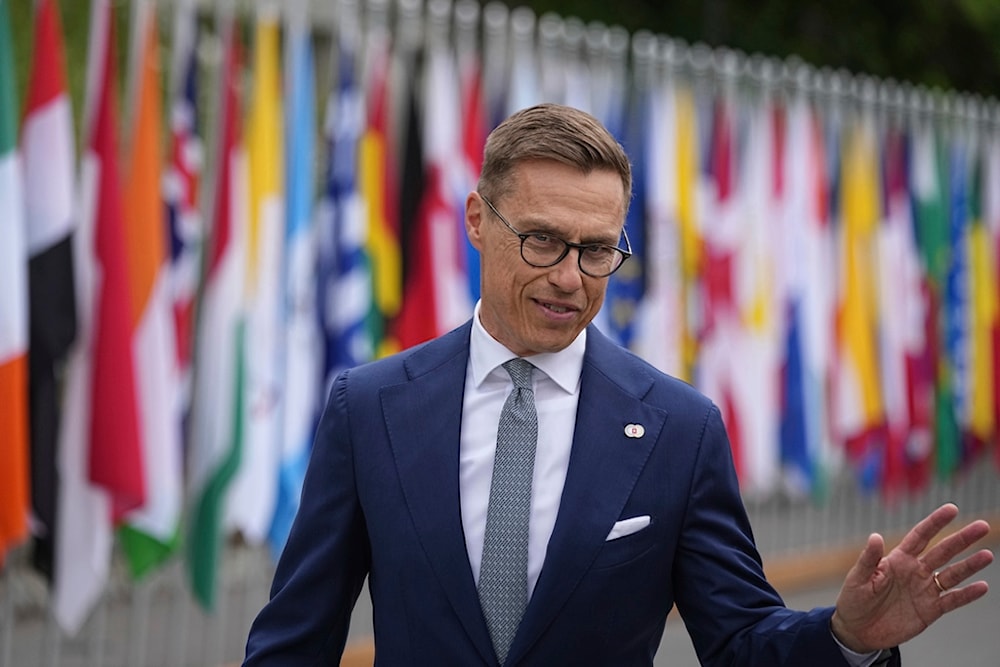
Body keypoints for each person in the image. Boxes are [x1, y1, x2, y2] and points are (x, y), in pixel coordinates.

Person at [243, 103, 994, 666]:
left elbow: (737, 637)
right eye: (543, 239)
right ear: (477, 219)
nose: (569, 277)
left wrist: (845, 638)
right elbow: (293, 641)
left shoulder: (679, 427)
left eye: (598, 249)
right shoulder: (371, 407)